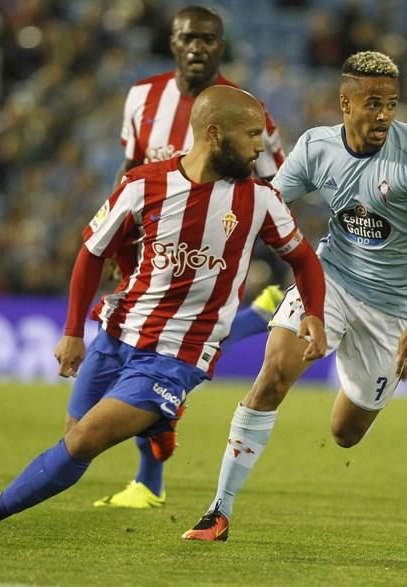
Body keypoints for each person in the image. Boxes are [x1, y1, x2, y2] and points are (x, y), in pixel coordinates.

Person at [0, 85, 327, 546]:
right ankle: (159, 426)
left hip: (177, 358)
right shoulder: (143, 184)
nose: (261, 146)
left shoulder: (260, 201)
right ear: (215, 134)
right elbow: (92, 251)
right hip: (118, 334)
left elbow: (303, 259)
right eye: (253, 135)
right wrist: (74, 331)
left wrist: (312, 312)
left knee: (84, 442)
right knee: (74, 433)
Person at [182, 51, 407, 542]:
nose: (383, 115)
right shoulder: (317, 147)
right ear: (345, 102)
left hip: (393, 309)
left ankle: (352, 370)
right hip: (331, 278)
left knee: (344, 433)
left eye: (392, 105)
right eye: (373, 103)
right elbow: (263, 202)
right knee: (272, 375)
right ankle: (218, 511)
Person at [100, 5, 288, 509]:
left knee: (169, 348)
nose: (197, 47)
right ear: (172, 42)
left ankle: (148, 478)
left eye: (208, 39)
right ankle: (152, 468)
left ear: (221, 46)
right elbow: (129, 167)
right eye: (188, 37)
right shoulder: (142, 98)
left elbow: (274, 180)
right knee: (151, 351)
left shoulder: (249, 112)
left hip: (213, 252)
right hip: (152, 251)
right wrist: (119, 242)